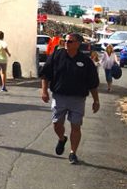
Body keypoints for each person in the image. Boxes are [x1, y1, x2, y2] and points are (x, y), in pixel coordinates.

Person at [39, 32, 100, 165]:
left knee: (76, 126)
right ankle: (62, 138)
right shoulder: (57, 55)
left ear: (78, 44)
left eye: (70, 41)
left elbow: (93, 83)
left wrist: (96, 100)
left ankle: (73, 153)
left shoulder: (85, 61)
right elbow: (45, 74)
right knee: (56, 124)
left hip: (78, 99)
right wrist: (44, 91)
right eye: (65, 41)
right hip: (59, 96)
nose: (66, 43)